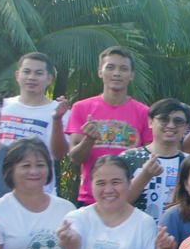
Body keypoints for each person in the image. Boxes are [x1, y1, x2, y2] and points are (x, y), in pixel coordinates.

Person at [63, 45, 151, 204]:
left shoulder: (144, 113)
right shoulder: (81, 108)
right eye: (110, 67)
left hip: (130, 201)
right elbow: (75, 158)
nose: (116, 73)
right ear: (100, 72)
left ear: (131, 75)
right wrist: (88, 140)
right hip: (90, 200)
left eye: (123, 69)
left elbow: (150, 156)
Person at [0, 51, 70, 176]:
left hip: (39, 187)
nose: (31, 77)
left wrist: (57, 119)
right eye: (26, 72)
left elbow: (59, 154)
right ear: (17, 75)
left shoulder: (61, 112)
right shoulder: (1, 106)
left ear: (49, 79)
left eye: (38, 73)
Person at [127, 98, 190, 219]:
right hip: (134, 233)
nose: (171, 125)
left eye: (178, 121)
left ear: (186, 126)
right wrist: (145, 175)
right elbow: (118, 201)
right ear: (150, 122)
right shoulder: (130, 158)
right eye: (163, 119)